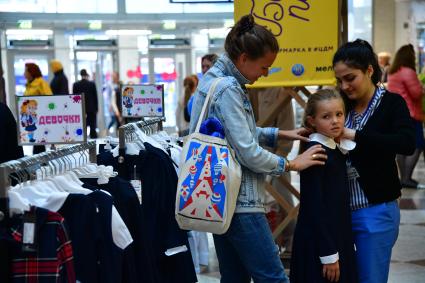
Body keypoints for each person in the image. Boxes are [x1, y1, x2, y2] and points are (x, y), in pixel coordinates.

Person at [189, 14, 327, 282]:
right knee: (274, 277)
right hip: (241, 202)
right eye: (264, 67)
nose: (264, 74)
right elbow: (248, 152)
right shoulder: (228, 89)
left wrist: (282, 133)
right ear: (243, 59)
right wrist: (290, 164)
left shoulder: (213, 80)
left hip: (220, 200)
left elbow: (236, 134)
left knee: (234, 277)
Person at [333, 39, 415, 283]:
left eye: (350, 78)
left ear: (369, 70)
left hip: (375, 210)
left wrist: (356, 135)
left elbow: (406, 143)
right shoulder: (340, 106)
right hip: (339, 210)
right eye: (340, 80)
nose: (344, 86)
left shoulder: (392, 103)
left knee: (371, 278)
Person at [290, 89, 357, 283]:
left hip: (336, 238)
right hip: (322, 245)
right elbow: (315, 208)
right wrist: (329, 254)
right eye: (326, 116)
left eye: (339, 114)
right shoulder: (317, 152)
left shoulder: (333, 148)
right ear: (312, 121)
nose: (335, 121)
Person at [387, 44, 425, 189]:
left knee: (401, 146)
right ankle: (407, 177)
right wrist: (422, 87)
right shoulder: (408, 71)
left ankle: (403, 178)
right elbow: (416, 93)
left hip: (397, 113)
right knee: (418, 145)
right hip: (411, 113)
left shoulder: (393, 71)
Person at [24, 62, 52, 154]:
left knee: (39, 140)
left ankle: (41, 161)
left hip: (40, 117)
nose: (24, 73)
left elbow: (49, 98)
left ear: (31, 72)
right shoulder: (29, 84)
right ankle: (40, 161)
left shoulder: (41, 83)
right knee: (35, 139)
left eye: (25, 70)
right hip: (31, 117)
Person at [73, 69, 98, 138]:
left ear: (80, 75)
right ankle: (94, 144)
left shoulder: (76, 85)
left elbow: (74, 99)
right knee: (93, 127)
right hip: (91, 109)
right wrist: (96, 109)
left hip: (81, 109)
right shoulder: (92, 84)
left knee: (83, 127)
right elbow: (95, 97)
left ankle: (83, 143)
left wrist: (75, 110)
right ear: (86, 75)